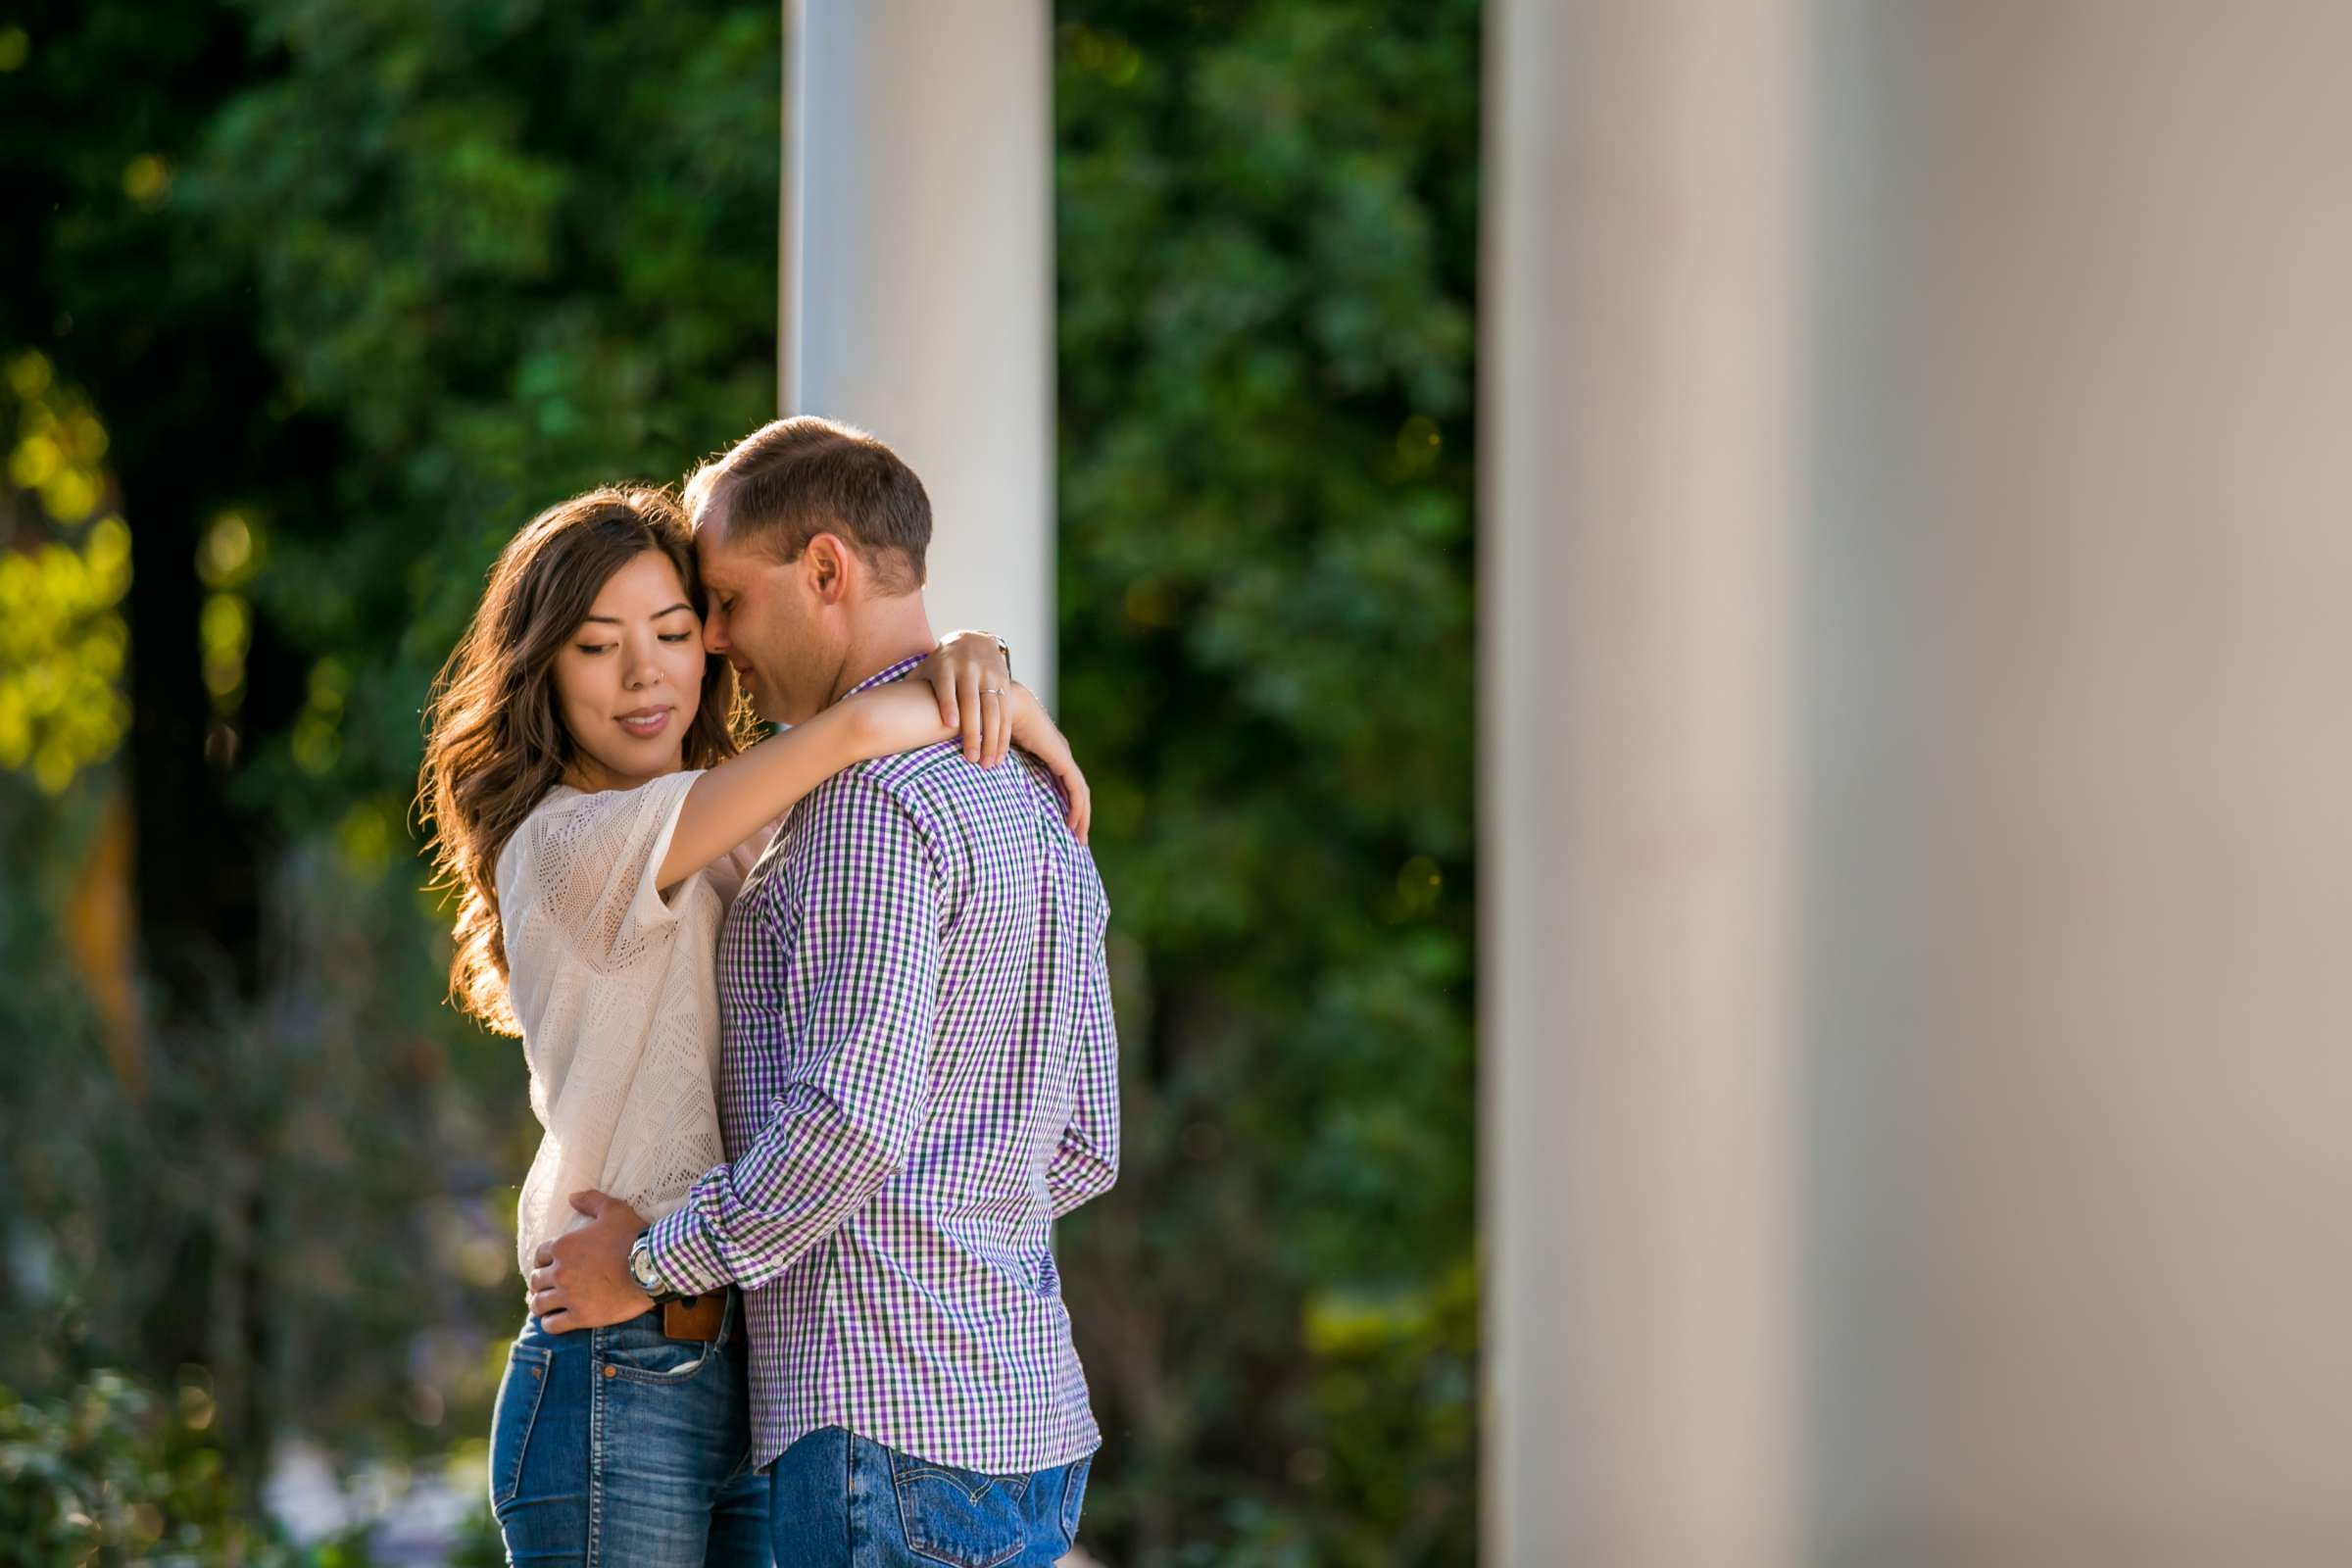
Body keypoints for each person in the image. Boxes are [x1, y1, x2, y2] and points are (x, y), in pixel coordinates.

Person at [416, 481, 1086, 1566]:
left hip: (760, 1356)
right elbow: (862, 722)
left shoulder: (735, 821)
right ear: (542, 668)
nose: (645, 675)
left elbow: (862, 741)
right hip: (620, 1353)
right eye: (596, 646)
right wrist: (994, 695)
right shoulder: (566, 840)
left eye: (675, 632)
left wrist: (980, 668)